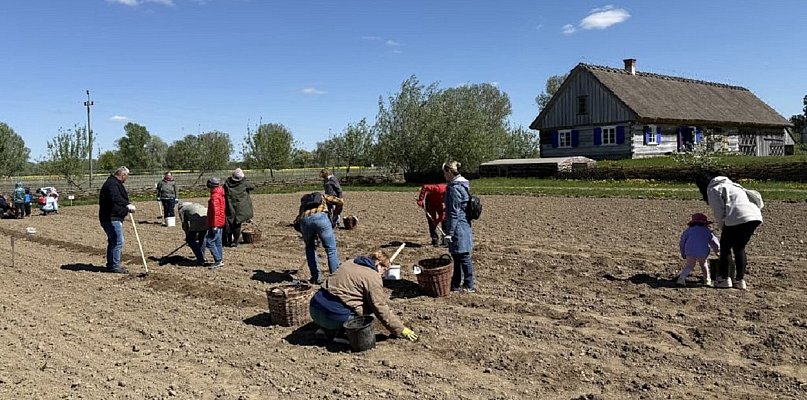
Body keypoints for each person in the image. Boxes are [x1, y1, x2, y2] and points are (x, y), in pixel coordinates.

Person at [309, 250, 419, 343]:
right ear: (378, 264)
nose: (382, 274)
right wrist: (400, 329)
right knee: (367, 308)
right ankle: (341, 334)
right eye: (384, 270)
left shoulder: (350, 262)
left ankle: (324, 330)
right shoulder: (373, 277)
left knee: (340, 299)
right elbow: (380, 307)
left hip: (314, 308)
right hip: (334, 317)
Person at [695, 174, 763, 290]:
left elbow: (719, 212)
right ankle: (740, 280)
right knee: (739, 247)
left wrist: (724, 228)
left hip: (737, 217)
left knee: (725, 247)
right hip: (754, 216)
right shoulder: (734, 185)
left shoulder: (713, 189)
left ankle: (725, 279)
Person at [293, 192, 343, 284]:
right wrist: (336, 213)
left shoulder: (304, 204)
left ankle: (316, 277)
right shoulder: (322, 196)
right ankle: (335, 278)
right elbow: (340, 201)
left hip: (305, 221)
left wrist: (308, 235)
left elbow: (297, 222)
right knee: (331, 249)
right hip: (321, 218)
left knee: (310, 249)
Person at [442, 161, 475, 293]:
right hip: (464, 224)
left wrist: (449, 232)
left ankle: (469, 285)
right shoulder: (463, 185)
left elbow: (454, 212)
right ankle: (455, 283)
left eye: (444, 172)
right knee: (457, 256)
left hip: (458, 227)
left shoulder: (455, 188)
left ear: (449, 172)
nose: (444, 176)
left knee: (463, 257)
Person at [99, 167, 136, 274]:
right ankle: (114, 266)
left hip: (111, 217)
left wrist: (125, 206)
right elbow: (115, 199)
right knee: (118, 241)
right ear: (123, 175)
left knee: (113, 241)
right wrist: (126, 206)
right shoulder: (112, 185)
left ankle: (111, 265)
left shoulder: (113, 183)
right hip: (111, 218)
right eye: (127, 176)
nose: (126, 179)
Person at [677, 213, 720, 287]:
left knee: (689, 266)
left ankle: (681, 278)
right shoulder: (707, 231)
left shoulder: (688, 231)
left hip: (690, 251)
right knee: (704, 265)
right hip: (702, 252)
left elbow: (682, 242)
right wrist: (718, 251)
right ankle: (707, 280)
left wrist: (683, 253)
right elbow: (714, 242)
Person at [223, 168, 254, 247]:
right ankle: (235, 242)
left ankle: (228, 240)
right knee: (237, 224)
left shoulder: (227, 183)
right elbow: (252, 186)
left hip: (229, 206)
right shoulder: (244, 183)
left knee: (229, 223)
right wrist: (245, 179)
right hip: (240, 207)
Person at [178, 201, 209, 266]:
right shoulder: (195, 205)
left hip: (197, 220)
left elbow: (185, 224)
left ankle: (200, 258)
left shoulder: (182, 210)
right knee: (202, 237)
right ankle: (202, 256)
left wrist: (187, 235)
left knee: (190, 240)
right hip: (206, 218)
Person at [205, 177, 226, 269]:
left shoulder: (215, 196)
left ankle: (217, 260)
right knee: (218, 241)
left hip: (215, 223)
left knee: (210, 241)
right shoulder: (220, 193)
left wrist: (214, 225)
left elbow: (216, 212)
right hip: (220, 221)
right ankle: (219, 260)